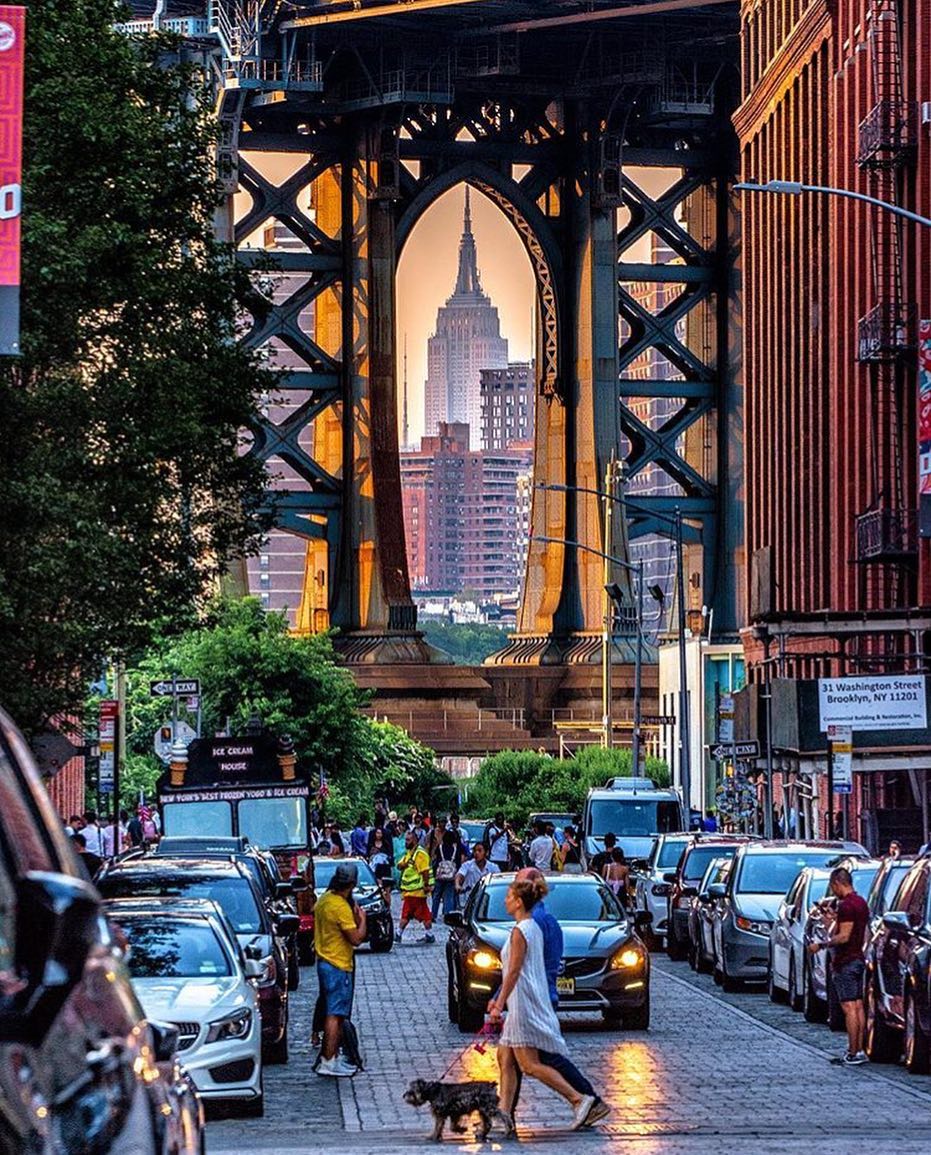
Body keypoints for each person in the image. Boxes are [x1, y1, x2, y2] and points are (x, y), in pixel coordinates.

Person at [487, 873, 606, 1132]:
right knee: (505, 1057)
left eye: (508, 896)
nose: (505, 901)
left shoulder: (522, 930)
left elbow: (515, 971)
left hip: (524, 1003)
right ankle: (504, 1114)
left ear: (519, 901)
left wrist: (498, 1003)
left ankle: (579, 1099)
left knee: (529, 1063)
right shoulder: (533, 925)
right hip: (525, 1000)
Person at [808, 866, 870, 1066]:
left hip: (846, 961)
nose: (832, 891)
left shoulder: (846, 906)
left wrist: (821, 945)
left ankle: (853, 1052)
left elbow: (844, 936)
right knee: (858, 1006)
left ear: (837, 883)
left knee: (849, 1007)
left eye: (832, 886)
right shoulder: (861, 903)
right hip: (858, 957)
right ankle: (859, 1049)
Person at [313, 862, 367, 1078]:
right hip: (338, 964)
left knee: (331, 1012)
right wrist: (362, 920)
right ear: (352, 883)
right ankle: (329, 1060)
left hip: (324, 961)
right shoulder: (339, 907)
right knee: (335, 1015)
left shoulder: (324, 900)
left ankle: (331, 1057)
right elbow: (356, 938)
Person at [397, 829, 434, 944]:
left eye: (408, 840)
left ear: (415, 840)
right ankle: (429, 934)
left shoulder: (420, 854)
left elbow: (425, 871)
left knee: (408, 913)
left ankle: (398, 934)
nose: (406, 842)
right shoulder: (411, 853)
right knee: (422, 913)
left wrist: (426, 885)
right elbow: (400, 865)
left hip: (416, 891)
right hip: (413, 891)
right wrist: (403, 864)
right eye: (406, 840)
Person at [455, 841, 500, 908]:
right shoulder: (467, 865)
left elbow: (498, 881)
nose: (476, 853)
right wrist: (457, 885)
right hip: (468, 900)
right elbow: (459, 875)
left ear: (486, 853)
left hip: (486, 901)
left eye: (479, 851)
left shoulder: (493, 867)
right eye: (475, 851)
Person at [431, 827, 463, 919]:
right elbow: (458, 861)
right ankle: (447, 915)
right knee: (448, 895)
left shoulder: (440, 847)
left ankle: (433, 914)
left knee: (436, 895)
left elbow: (436, 860)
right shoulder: (455, 849)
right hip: (451, 875)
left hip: (440, 874)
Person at [367, 825, 394, 904]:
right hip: (376, 869)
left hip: (385, 869)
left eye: (380, 833)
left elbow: (390, 855)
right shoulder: (371, 845)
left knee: (387, 890)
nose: (378, 835)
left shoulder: (386, 844)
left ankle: (388, 906)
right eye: (377, 833)